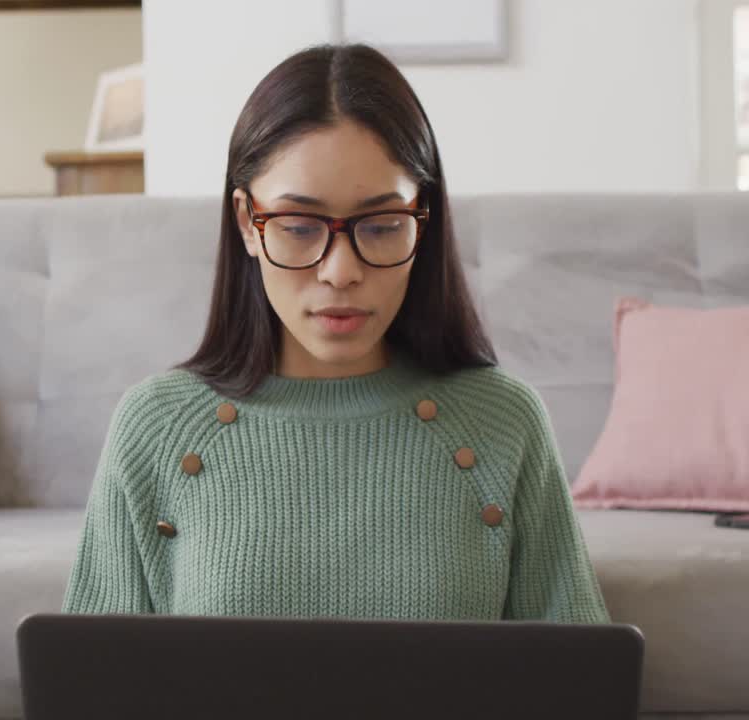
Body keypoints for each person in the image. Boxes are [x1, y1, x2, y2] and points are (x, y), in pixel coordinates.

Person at [62, 43, 609, 623]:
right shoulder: (157, 429)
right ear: (248, 221)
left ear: (422, 219)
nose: (341, 271)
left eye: (381, 226)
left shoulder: (503, 423)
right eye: (299, 227)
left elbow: (574, 683)